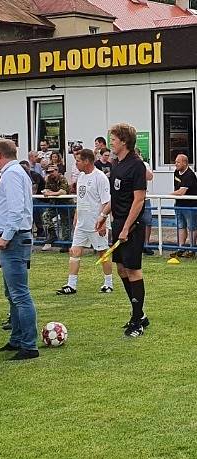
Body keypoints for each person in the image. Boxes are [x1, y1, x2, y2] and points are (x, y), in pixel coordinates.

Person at [96, 123, 148, 338]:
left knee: (133, 269)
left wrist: (126, 227)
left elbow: (139, 199)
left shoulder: (137, 165)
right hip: (118, 224)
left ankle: (137, 322)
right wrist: (103, 215)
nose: (111, 143)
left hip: (132, 227)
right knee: (121, 269)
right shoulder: (117, 164)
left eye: (114, 139)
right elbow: (115, 196)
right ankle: (140, 314)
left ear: (124, 141)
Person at [0, 139, 39, 360]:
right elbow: (4, 208)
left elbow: (16, 210)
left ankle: (29, 345)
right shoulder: (16, 172)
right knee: (12, 293)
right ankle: (17, 338)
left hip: (14, 239)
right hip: (14, 237)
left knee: (19, 293)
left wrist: (6, 237)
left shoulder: (11, 174)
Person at [56, 149, 113, 295]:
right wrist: (76, 215)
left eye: (78, 161)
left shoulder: (100, 177)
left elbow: (107, 202)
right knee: (74, 251)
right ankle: (71, 285)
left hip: (96, 223)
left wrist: (102, 220)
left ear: (87, 161)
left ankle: (108, 283)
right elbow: (80, 199)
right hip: (82, 223)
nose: (76, 164)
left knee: (103, 253)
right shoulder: (81, 177)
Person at [171, 153, 197, 257]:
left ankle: (192, 249)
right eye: (175, 161)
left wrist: (166, 195)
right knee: (181, 226)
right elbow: (177, 189)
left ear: (185, 163)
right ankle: (181, 248)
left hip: (190, 206)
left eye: (178, 162)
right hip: (179, 205)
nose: (175, 164)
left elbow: (181, 192)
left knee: (192, 227)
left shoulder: (190, 175)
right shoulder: (176, 172)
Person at [41, 165, 71, 250]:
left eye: (52, 171)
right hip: (54, 203)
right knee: (45, 216)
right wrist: (52, 193)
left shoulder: (62, 178)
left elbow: (63, 192)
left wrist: (51, 193)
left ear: (57, 171)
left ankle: (66, 244)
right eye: (48, 172)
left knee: (65, 223)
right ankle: (52, 235)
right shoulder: (48, 179)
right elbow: (46, 190)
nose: (50, 174)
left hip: (66, 203)